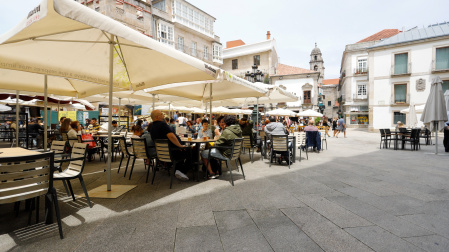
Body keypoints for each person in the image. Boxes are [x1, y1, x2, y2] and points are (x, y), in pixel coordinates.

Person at [149, 110, 190, 181]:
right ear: (157, 116)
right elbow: (171, 136)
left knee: (183, 150)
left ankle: (177, 169)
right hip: (172, 153)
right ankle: (181, 171)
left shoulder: (152, 127)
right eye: (162, 114)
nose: (164, 116)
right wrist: (179, 145)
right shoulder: (163, 125)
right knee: (190, 150)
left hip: (162, 154)